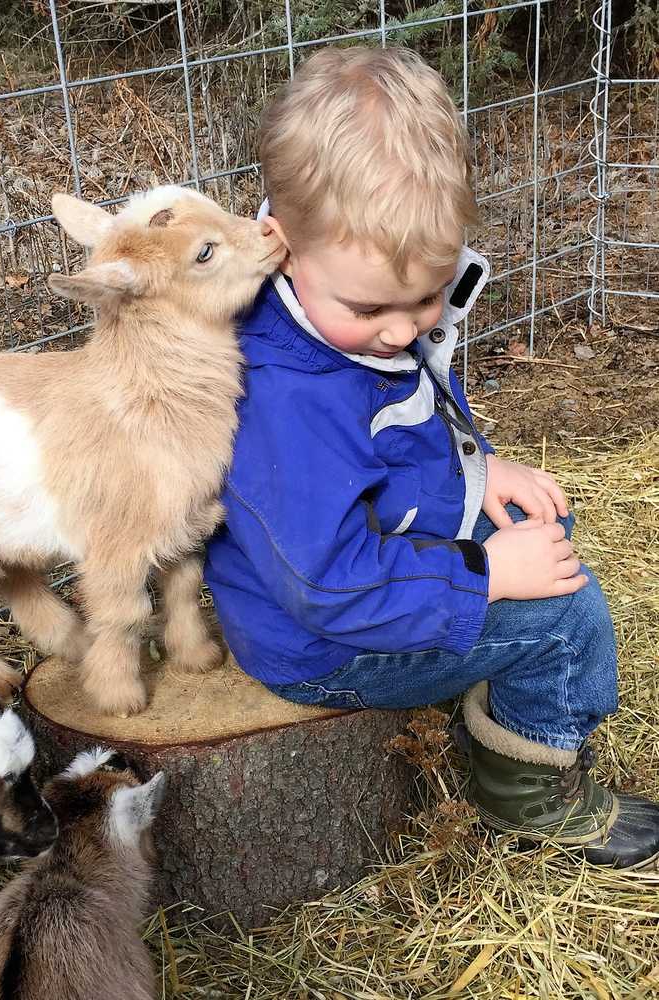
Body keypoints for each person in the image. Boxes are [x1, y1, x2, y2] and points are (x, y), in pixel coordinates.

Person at [205, 46, 659, 868]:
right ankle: (526, 790)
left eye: (426, 295)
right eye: (374, 306)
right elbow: (325, 584)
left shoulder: (339, 306)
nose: (403, 329)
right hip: (323, 642)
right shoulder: (286, 398)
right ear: (280, 241)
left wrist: (480, 472)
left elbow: (407, 427)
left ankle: (488, 667)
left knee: (545, 524)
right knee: (567, 617)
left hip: (385, 562)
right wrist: (484, 578)